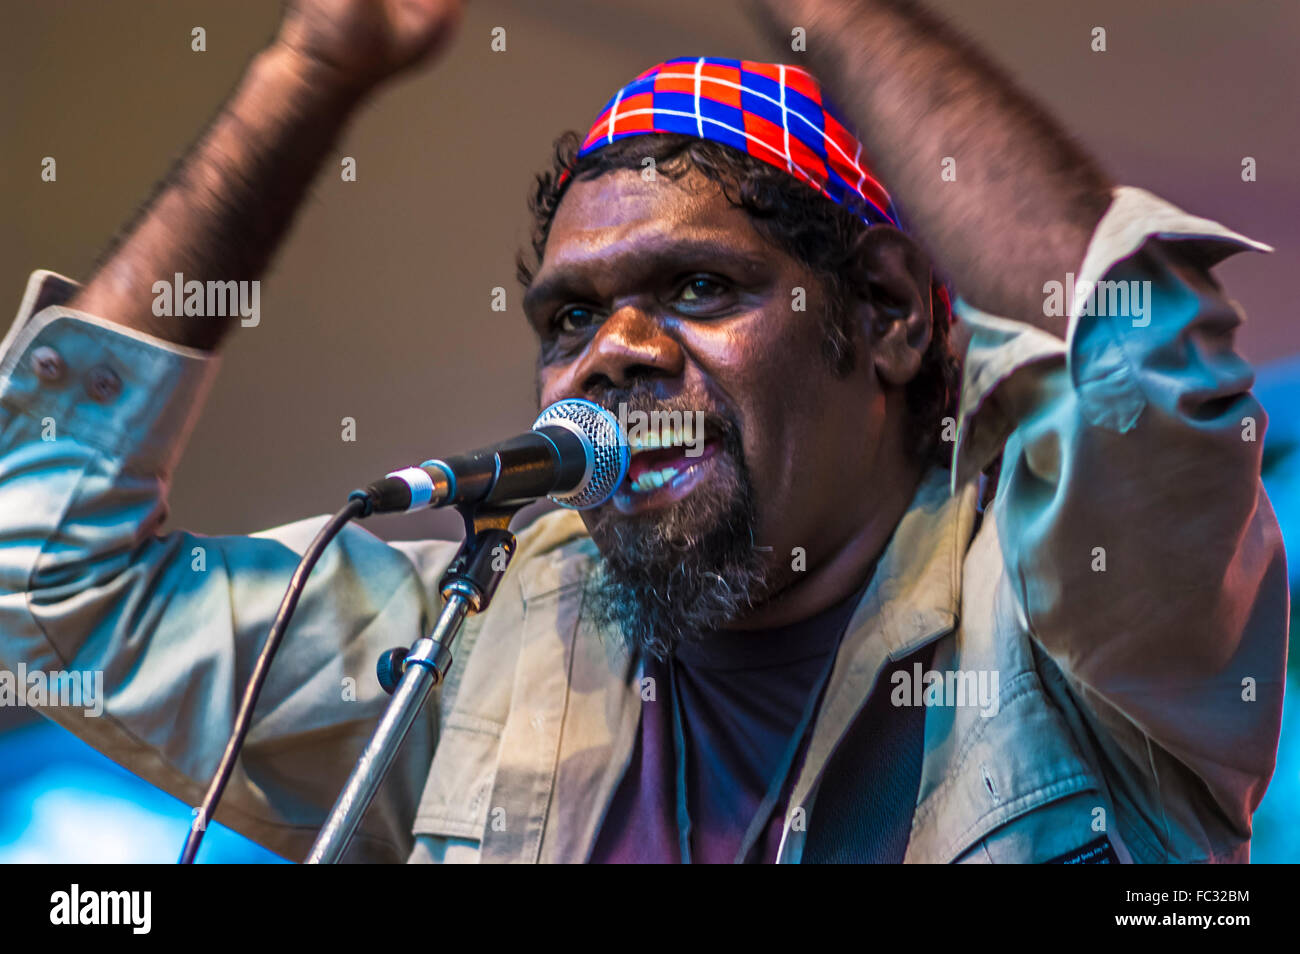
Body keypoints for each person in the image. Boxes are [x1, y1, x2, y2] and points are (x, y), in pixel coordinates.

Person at [0, 0, 1286, 863]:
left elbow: (1149, 380)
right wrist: (311, 69)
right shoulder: (483, 641)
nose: (609, 351)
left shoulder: (1067, 608)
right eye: (567, 318)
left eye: (696, 289)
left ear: (886, 315)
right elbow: (47, 575)